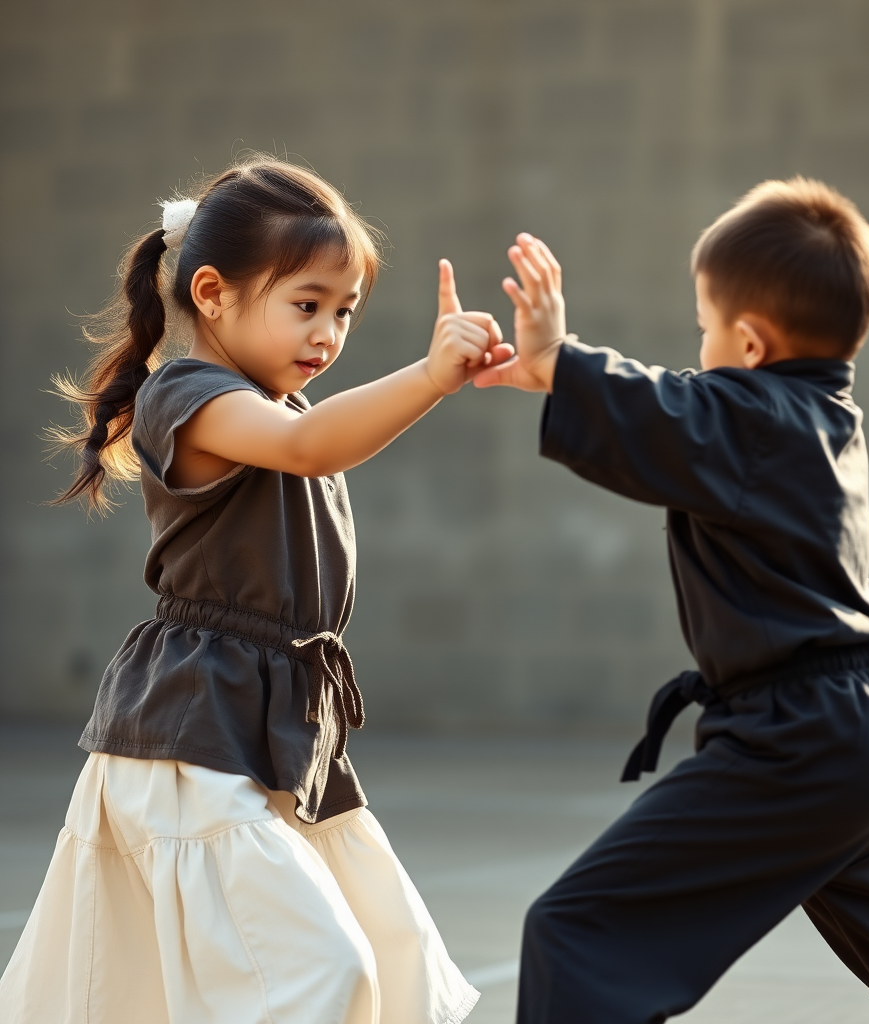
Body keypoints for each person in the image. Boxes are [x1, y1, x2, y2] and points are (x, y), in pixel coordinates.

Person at [474, 178, 869, 1023]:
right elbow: (683, 413)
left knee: (577, 929)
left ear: (754, 344)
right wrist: (561, 380)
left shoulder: (756, 419)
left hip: (800, 739)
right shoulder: (829, 417)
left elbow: (672, 408)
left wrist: (559, 359)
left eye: (705, 331)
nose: (698, 352)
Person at [0, 156, 512, 1024]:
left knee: (386, 967)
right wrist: (430, 377)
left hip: (274, 728)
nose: (329, 333)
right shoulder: (189, 398)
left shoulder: (285, 407)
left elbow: (314, 439)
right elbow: (312, 452)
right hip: (191, 734)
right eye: (306, 304)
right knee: (321, 973)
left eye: (345, 311)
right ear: (212, 293)